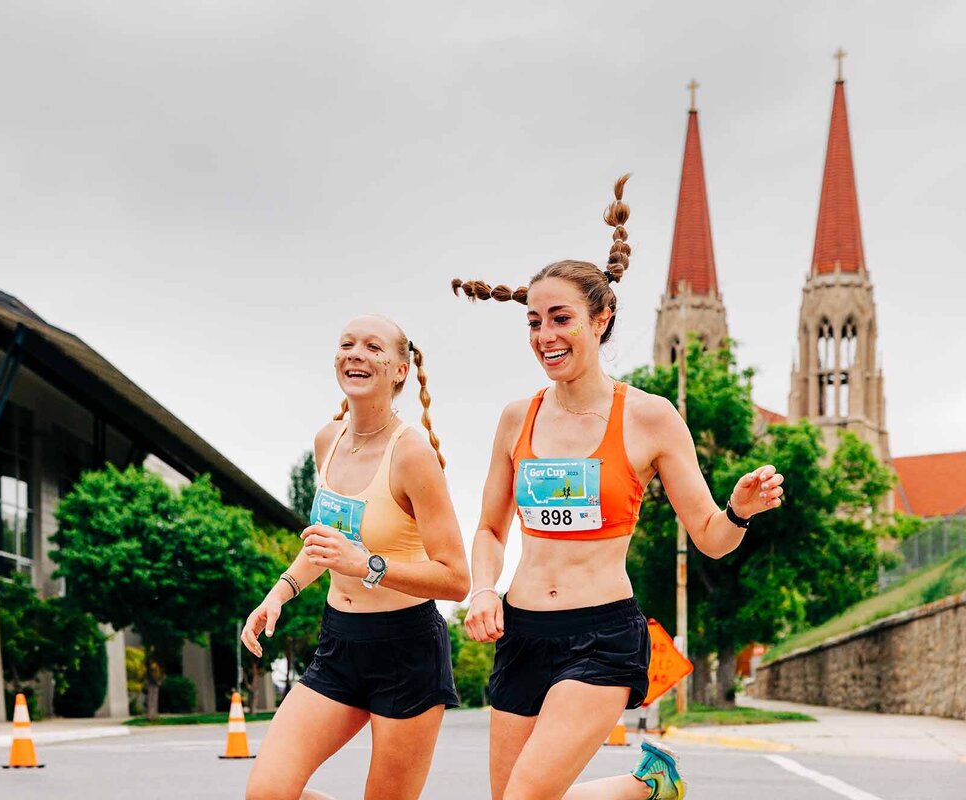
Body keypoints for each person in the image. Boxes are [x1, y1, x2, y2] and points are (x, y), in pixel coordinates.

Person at [453, 175, 785, 800]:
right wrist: (481, 589)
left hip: (601, 636)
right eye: (534, 323)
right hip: (521, 631)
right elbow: (490, 529)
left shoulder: (650, 417)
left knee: (526, 799)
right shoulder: (514, 418)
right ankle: (648, 787)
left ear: (600, 319)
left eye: (562, 319)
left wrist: (738, 510)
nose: (546, 336)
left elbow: (711, 538)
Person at [241, 314, 470, 800]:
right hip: (339, 645)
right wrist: (279, 593)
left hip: (407, 651)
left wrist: (368, 565)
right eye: (347, 344)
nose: (355, 354)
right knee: (268, 792)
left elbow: (455, 579)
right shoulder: (329, 440)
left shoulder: (412, 454)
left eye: (373, 347)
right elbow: (325, 548)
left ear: (400, 370)